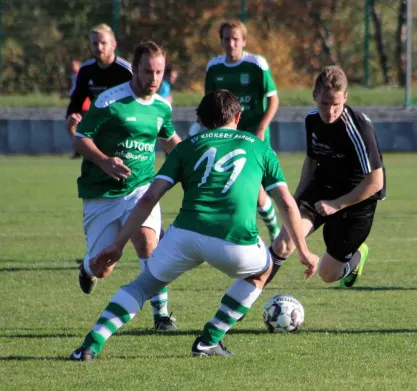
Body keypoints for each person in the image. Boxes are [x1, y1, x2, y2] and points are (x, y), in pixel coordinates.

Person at [69, 90, 319, 361]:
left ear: (199, 119)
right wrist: (304, 251)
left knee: (142, 286)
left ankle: (89, 345)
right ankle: (209, 339)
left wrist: (118, 244)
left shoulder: (186, 147)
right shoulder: (258, 146)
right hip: (233, 240)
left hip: (184, 235)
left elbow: (150, 197)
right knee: (263, 269)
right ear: (238, 117)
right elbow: (287, 204)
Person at [73, 41, 182, 330]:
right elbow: (80, 138)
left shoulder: (161, 107)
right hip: (102, 193)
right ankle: (86, 269)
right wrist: (104, 161)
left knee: (150, 245)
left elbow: (172, 142)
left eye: (159, 72)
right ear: (134, 69)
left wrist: (192, 165)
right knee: (103, 265)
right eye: (148, 71)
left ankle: (161, 315)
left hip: (141, 189)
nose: (154, 79)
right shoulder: (110, 102)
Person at [265, 66, 385, 289]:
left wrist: (337, 204)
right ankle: (245, 299)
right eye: (324, 104)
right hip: (323, 188)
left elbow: (376, 182)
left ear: (346, 98)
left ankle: (357, 257)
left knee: (328, 274)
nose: (330, 111)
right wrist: (297, 197)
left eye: (336, 105)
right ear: (314, 97)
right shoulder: (312, 120)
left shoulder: (358, 129)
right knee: (284, 243)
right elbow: (311, 161)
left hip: (358, 201)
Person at [202, 20, 281, 243]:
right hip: (227, 137)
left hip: (253, 134)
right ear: (221, 41)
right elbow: (210, 103)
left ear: (244, 41)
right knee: (229, 185)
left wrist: (262, 128)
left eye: (236, 39)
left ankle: (274, 230)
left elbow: (273, 99)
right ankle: (235, 234)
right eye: (227, 39)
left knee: (257, 186)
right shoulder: (214, 68)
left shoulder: (257, 65)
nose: (231, 43)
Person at [66, 24, 133, 158]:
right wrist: (72, 116)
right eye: (95, 43)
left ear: (113, 44)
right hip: (99, 133)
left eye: (103, 43)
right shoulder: (86, 71)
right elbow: (76, 101)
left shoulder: (127, 71)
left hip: (126, 134)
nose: (99, 47)